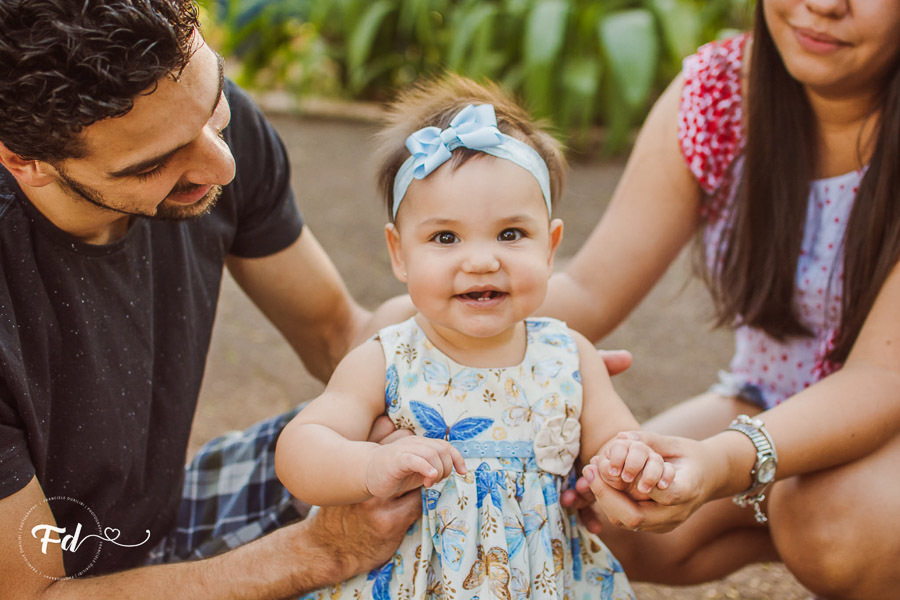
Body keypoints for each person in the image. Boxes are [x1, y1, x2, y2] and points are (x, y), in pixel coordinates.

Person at [0, 0, 425, 596]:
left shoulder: (202, 131)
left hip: (162, 518)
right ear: (25, 160)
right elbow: (34, 595)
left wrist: (538, 373)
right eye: (154, 163)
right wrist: (319, 552)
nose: (221, 165)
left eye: (215, 100)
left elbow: (337, 336)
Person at [544, 1, 900, 598]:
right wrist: (415, 337)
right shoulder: (721, 92)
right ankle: (789, 514)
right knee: (603, 518)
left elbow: (880, 378)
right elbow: (588, 288)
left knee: (833, 523)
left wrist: (723, 464)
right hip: (770, 396)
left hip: (885, 407)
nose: (823, 5)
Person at [274, 75, 675, 600]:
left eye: (511, 234)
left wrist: (629, 461)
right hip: (414, 581)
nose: (482, 260)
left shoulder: (568, 355)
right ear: (399, 254)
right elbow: (300, 451)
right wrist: (369, 466)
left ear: (550, 247)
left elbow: (618, 440)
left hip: (542, 579)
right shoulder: (388, 359)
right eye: (445, 237)